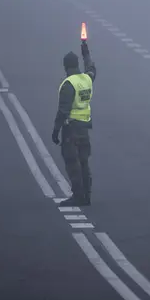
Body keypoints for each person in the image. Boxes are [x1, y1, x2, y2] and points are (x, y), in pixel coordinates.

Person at [51, 41, 97, 206]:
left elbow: (63, 111)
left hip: (71, 129)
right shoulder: (86, 79)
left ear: (65, 67)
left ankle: (78, 195)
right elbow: (92, 68)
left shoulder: (68, 84)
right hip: (85, 128)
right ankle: (87, 195)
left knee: (72, 163)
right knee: (84, 162)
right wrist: (86, 52)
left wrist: (56, 131)